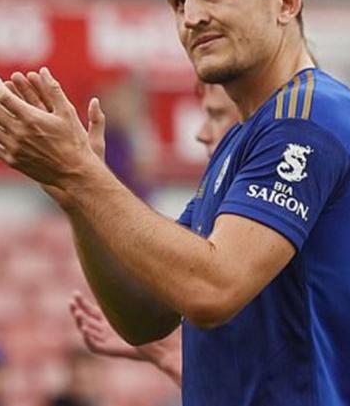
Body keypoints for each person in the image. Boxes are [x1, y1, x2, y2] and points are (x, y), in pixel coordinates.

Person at [0, 0, 350, 406]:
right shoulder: (243, 140)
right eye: (179, 0)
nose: (191, 17)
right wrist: (75, 197)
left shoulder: (310, 117)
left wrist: (83, 173)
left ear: (286, 0)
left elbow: (212, 290)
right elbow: (146, 317)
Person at [68, 82, 241, 386]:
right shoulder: (206, 206)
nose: (201, 133)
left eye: (216, 116)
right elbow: (146, 317)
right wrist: (178, 363)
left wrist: (85, 186)